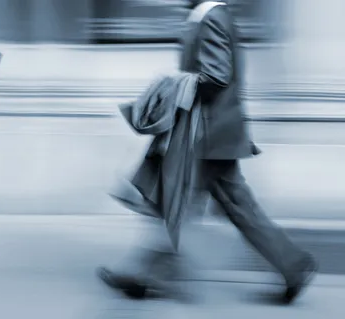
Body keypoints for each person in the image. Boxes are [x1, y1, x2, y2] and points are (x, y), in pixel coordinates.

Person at [98, 0, 318, 304]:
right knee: (219, 205)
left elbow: (216, 75)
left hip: (206, 134)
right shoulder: (212, 14)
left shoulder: (211, 16)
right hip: (212, 133)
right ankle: (293, 265)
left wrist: (174, 85)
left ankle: (148, 274)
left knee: (177, 201)